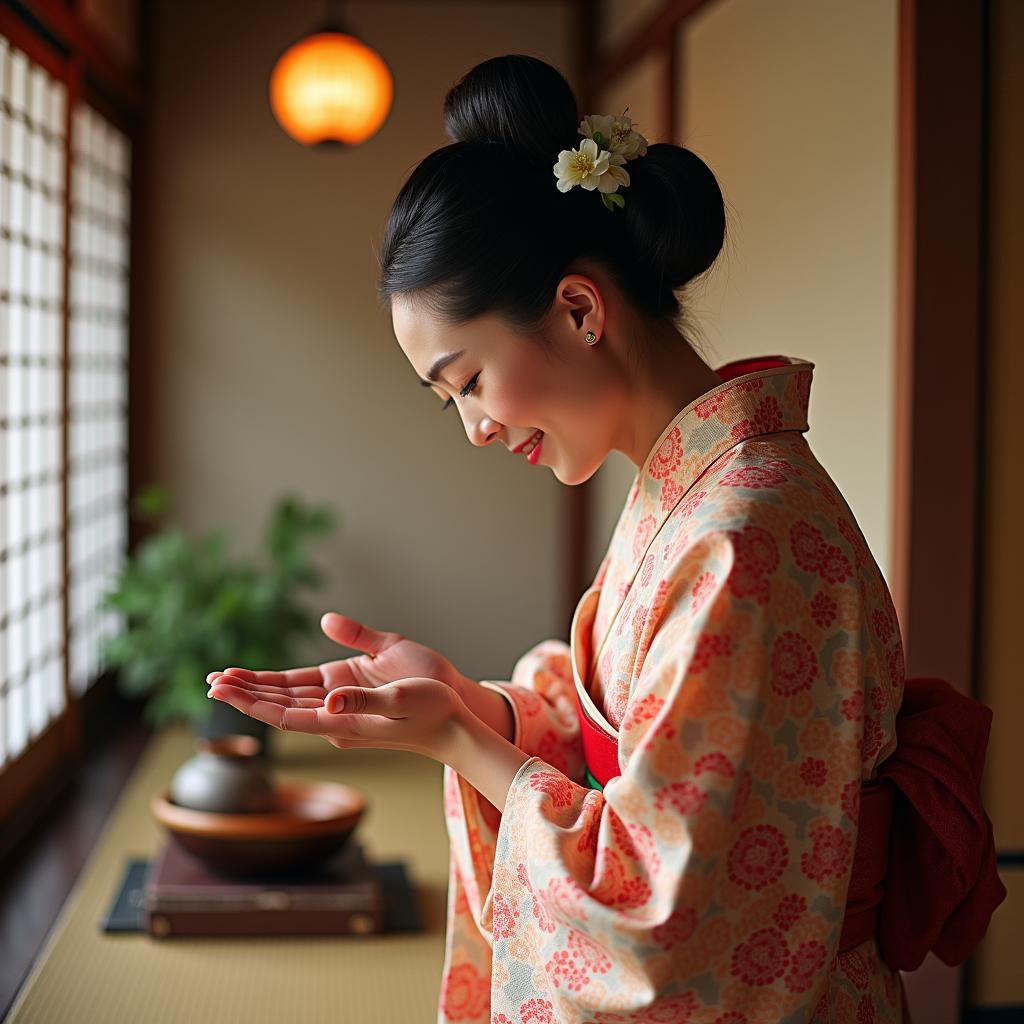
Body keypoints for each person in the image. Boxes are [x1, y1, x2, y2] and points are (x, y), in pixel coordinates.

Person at [207, 55, 1003, 1024]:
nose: (475, 429)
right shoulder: (702, 494)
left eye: (467, 380)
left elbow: (671, 909)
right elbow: (624, 729)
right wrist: (480, 707)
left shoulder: (744, 530)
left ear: (578, 309)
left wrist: (456, 739)